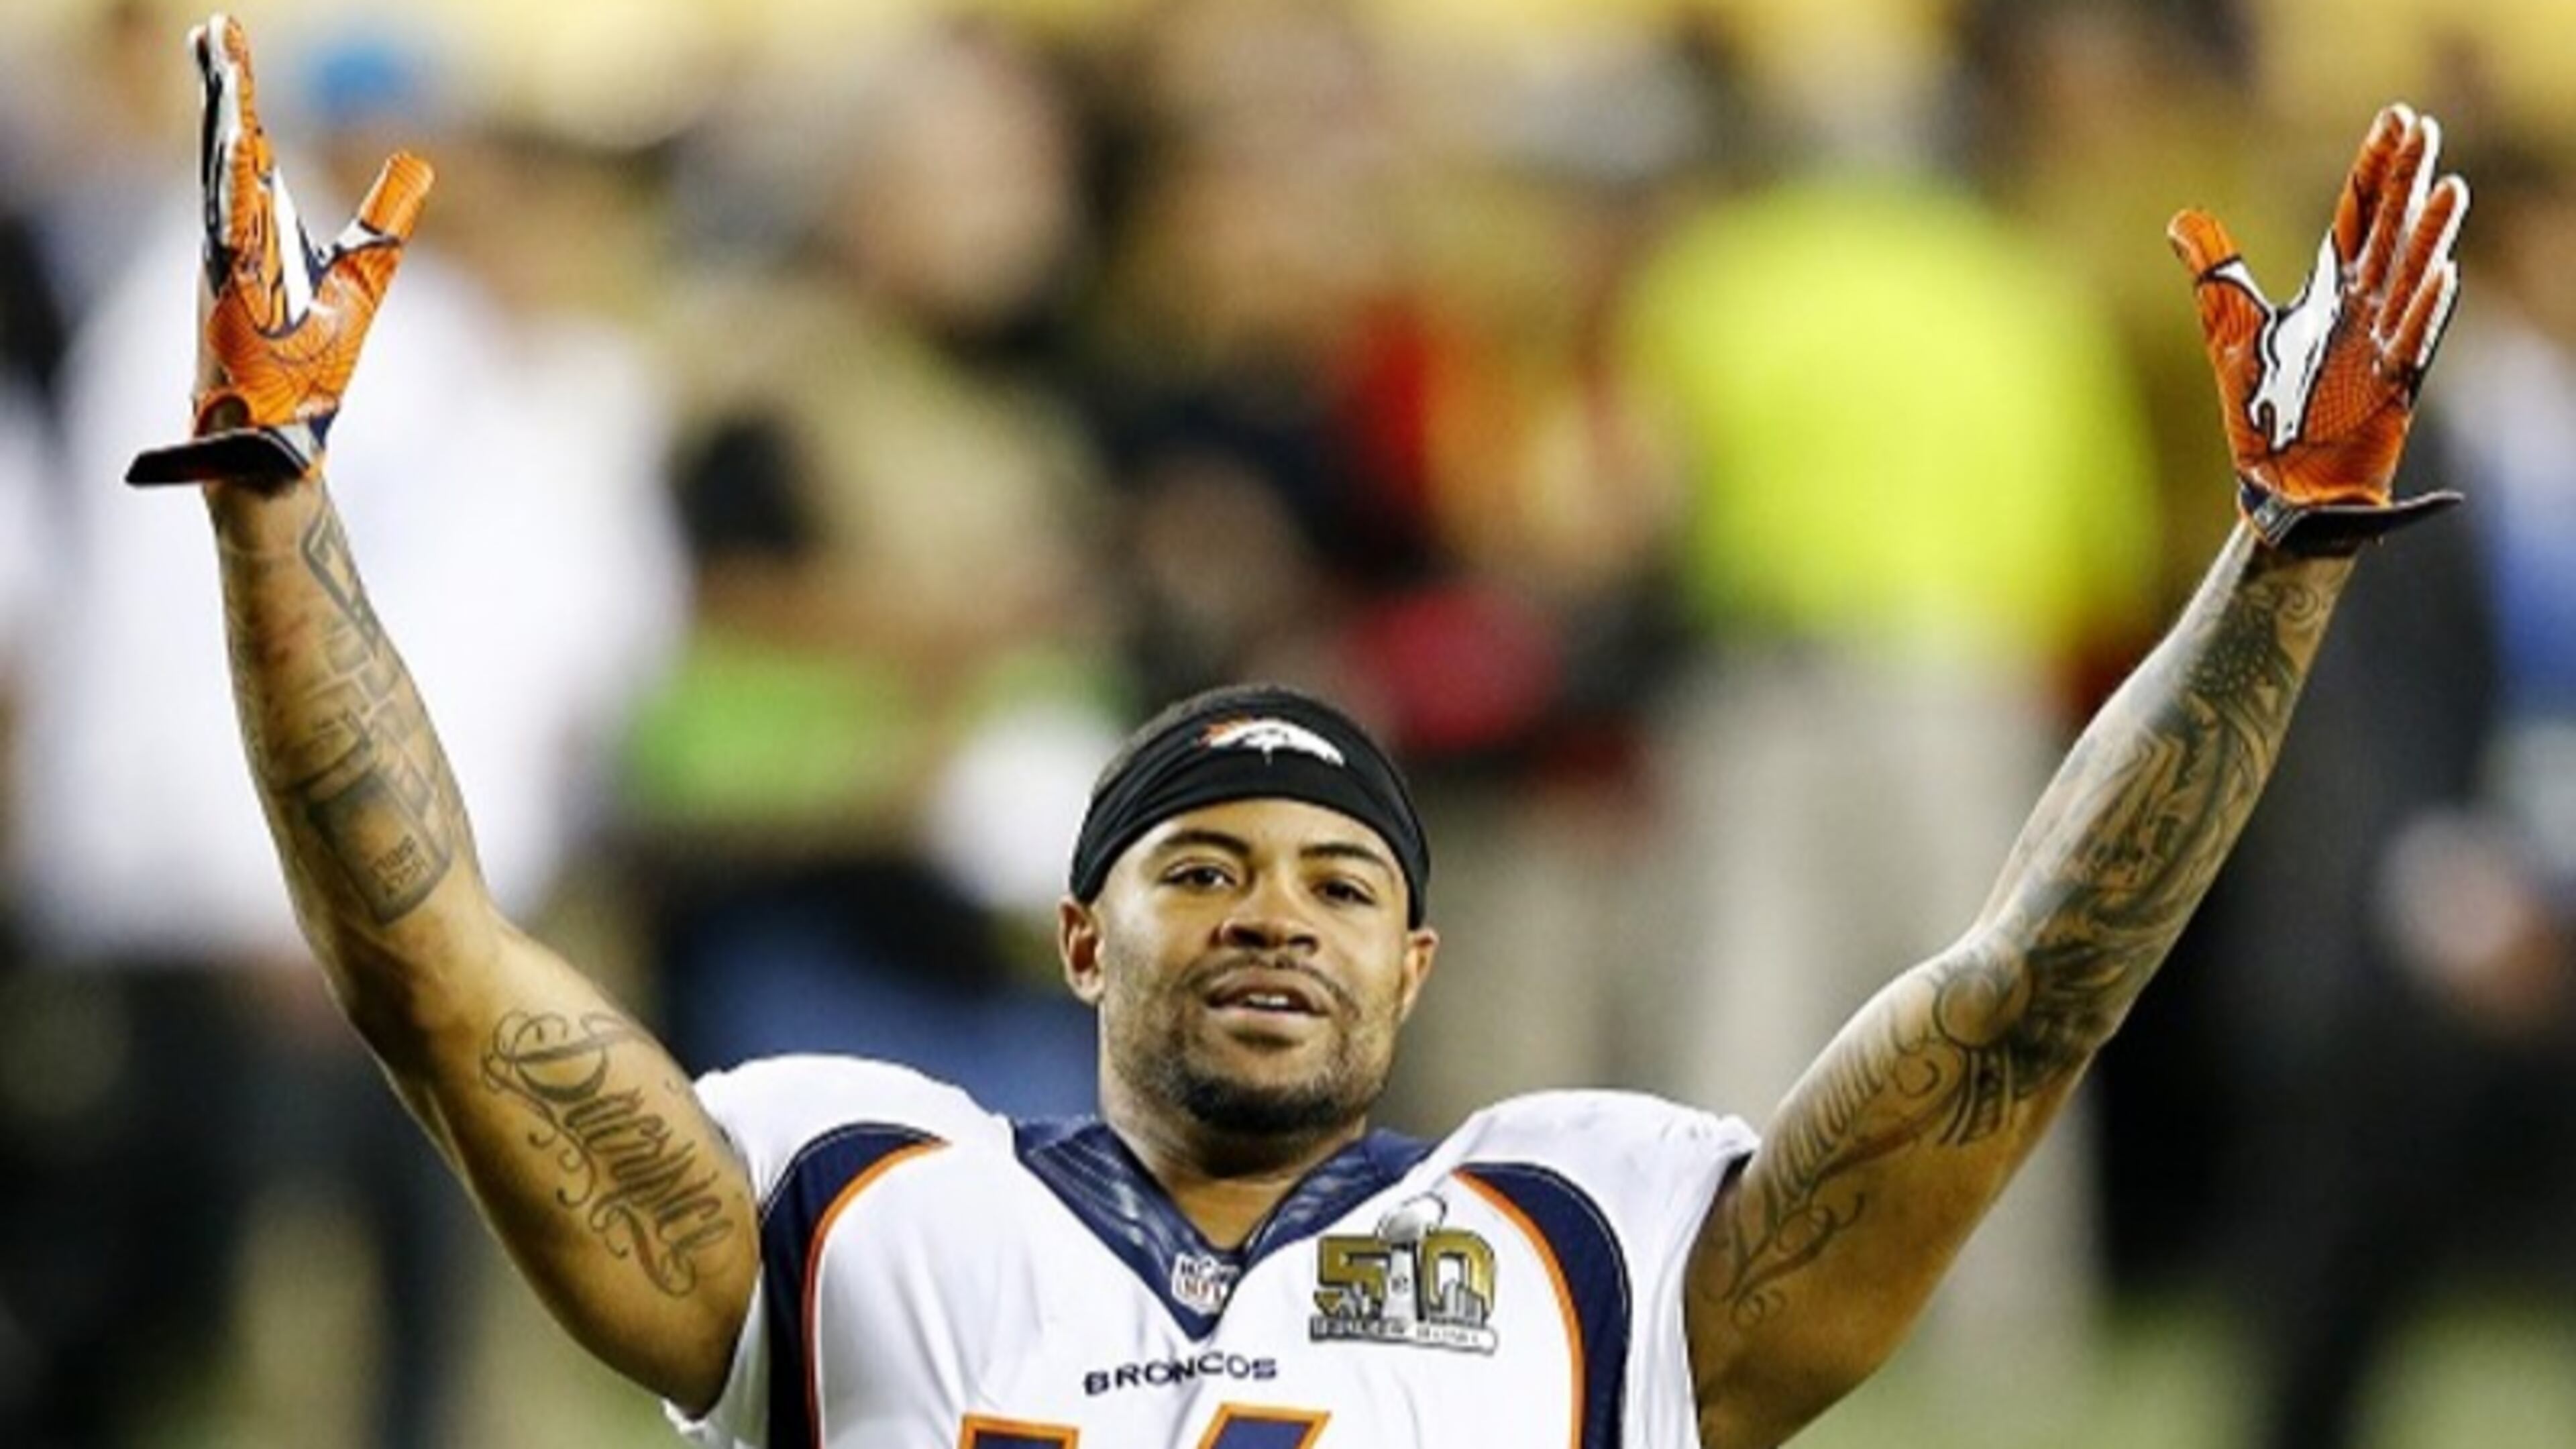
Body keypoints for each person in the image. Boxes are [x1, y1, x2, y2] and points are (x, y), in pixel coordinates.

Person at [132, 15, 2471, 1448]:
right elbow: (438, 972)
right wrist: (270, 510)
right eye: (1208, 867)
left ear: (1420, 973)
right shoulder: (867, 1211)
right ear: (1081, 940)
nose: (1280, 915)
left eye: (1347, 881)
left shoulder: (1583, 1242)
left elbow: (2019, 1002)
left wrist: (2274, 572)